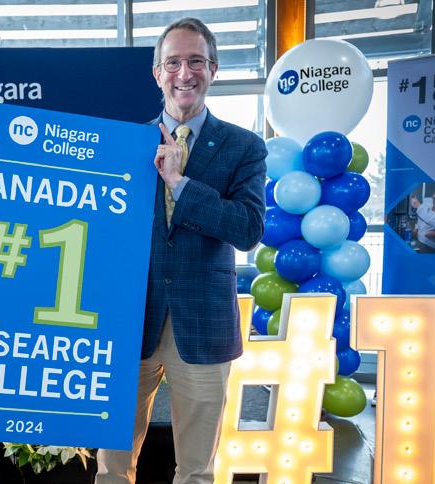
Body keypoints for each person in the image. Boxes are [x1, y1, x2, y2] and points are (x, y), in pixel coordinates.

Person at [96, 17, 266, 484]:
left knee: (197, 469)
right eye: (173, 63)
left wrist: (179, 183)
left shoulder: (243, 147)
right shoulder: (124, 144)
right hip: (128, 320)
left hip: (204, 322)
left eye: (196, 61)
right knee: (111, 464)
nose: (184, 73)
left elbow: (248, 229)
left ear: (213, 69)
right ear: (157, 73)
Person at [410, 188, 435, 253]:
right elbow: (420, 219)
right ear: (432, 198)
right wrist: (416, 228)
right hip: (420, 241)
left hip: (432, 245)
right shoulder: (427, 207)